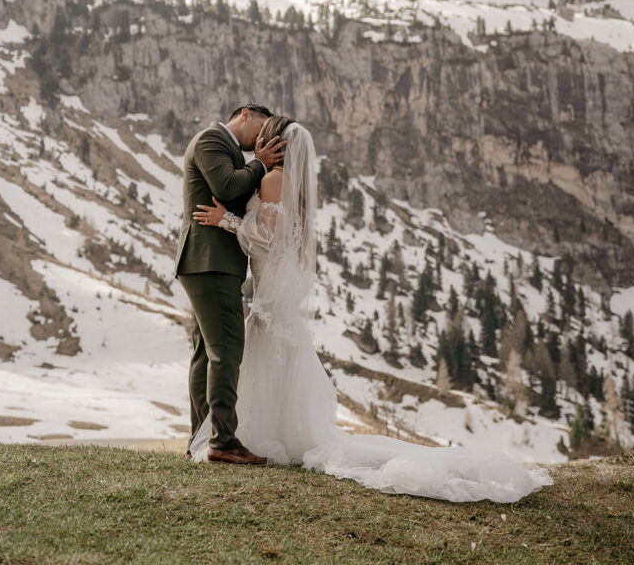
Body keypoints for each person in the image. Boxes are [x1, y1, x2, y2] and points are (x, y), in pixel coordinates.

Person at [192, 116, 553, 502]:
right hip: (280, 284)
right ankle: (267, 434)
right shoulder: (291, 184)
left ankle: (255, 437)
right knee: (273, 351)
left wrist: (227, 220)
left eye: (266, 136)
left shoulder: (271, 180)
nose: (258, 140)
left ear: (275, 144)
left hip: (274, 286)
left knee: (266, 349)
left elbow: (269, 241)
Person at [174, 103, 286, 465]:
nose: (262, 140)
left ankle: (201, 440)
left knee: (207, 352)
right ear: (245, 113)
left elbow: (235, 195)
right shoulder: (211, 140)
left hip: (212, 262)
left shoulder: (231, 151)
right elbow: (225, 185)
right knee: (227, 348)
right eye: (261, 128)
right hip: (209, 260)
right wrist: (261, 164)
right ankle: (223, 442)